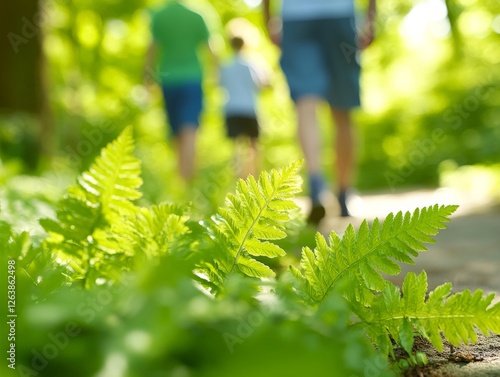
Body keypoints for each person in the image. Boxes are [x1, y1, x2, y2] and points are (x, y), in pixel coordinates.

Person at [263, 0, 376, 223]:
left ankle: (316, 183)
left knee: (306, 105)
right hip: (339, 13)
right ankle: (343, 193)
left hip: (296, 17)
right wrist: (371, 16)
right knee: (343, 111)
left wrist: (268, 18)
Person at [145, 0, 214, 181]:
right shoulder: (198, 14)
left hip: (168, 80)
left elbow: (152, 49)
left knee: (176, 131)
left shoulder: (159, 15)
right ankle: (187, 180)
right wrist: (217, 75)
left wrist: (147, 79)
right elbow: (211, 49)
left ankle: (181, 180)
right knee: (190, 128)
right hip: (192, 79)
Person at [220, 34, 269, 178]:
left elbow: (219, 83)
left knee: (236, 146)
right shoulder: (252, 64)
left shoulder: (225, 65)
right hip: (249, 108)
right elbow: (263, 84)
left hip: (231, 108)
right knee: (253, 145)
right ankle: (254, 176)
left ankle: (238, 178)